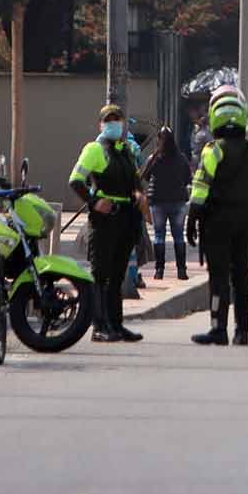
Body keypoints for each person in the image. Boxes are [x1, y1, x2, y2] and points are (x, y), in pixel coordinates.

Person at [188, 88, 248, 347]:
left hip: (217, 222)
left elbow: (200, 189)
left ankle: (218, 328)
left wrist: (191, 220)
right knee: (242, 276)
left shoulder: (213, 150)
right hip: (245, 221)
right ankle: (242, 331)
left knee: (218, 277)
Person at [69, 104, 148, 343]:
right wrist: (93, 202)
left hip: (126, 219)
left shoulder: (125, 150)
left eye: (118, 119)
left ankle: (116, 324)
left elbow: (135, 181)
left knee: (118, 274)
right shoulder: (94, 149)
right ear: (101, 124)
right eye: (109, 119)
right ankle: (99, 326)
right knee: (100, 274)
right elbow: (76, 180)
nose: (115, 123)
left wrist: (139, 196)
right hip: (105, 220)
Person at [140, 126, 191, 281]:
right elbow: (188, 178)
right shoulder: (181, 158)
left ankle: (159, 270)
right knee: (178, 236)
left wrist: (154, 156)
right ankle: (181, 270)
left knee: (159, 236)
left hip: (158, 202)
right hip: (178, 201)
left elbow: (146, 177)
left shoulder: (154, 158)